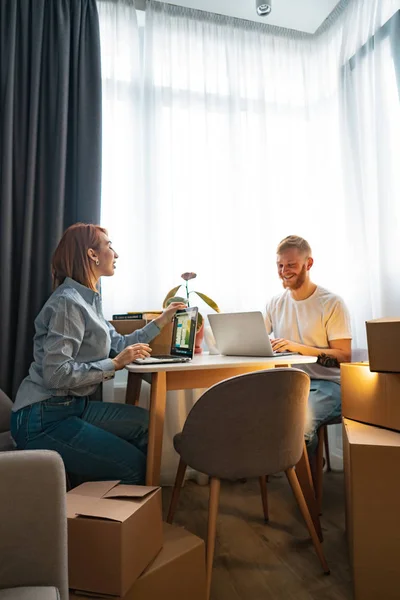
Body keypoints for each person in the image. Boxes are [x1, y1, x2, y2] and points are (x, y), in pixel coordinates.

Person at [11, 223, 185, 486]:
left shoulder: (88, 299)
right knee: (136, 467)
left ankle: (126, 510)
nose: (115, 254)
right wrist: (114, 364)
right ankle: (115, 521)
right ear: (92, 255)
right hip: (42, 417)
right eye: (109, 246)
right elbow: (56, 375)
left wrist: (161, 320)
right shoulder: (68, 303)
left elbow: (120, 343)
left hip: (72, 408)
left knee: (147, 424)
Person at [265, 235, 352, 456]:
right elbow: (257, 337)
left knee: (297, 425)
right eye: (280, 265)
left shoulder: (331, 303)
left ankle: (307, 488)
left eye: (291, 265)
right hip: (287, 383)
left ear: (308, 264)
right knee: (249, 411)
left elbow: (344, 356)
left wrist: (298, 347)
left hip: (327, 385)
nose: (284, 270)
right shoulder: (275, 303)